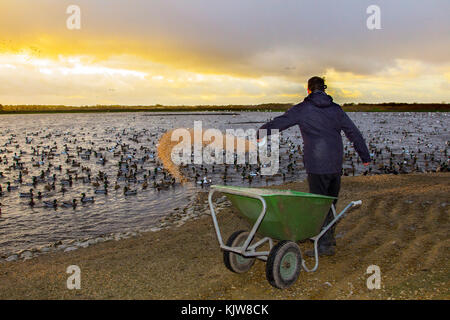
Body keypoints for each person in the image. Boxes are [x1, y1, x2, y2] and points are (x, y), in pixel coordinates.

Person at [257, 76, 371, 256]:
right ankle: (327, 238)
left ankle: (325, 245)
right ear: (324, 89)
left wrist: (261, 132)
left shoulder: (303, 109)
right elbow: (353, 133)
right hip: (335, 164)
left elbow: (282, 121)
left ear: (308, 90)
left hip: (317, 165)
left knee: (319, 204)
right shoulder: (336, 110)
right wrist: (364, 156)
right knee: (331, 202)